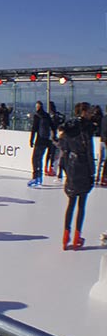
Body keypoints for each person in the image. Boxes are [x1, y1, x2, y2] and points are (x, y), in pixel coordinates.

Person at [60, 103, 95, 250]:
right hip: (83, 167)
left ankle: (65, 236)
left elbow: (63, 148)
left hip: (72, 167)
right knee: (82, 205)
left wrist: (65, 169)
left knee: (71, 203)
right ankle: (76, 236)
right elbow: (89, 152)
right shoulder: (86, 128)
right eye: (89, 111)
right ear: (84, 112)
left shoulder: (68, 127)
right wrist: (92, 172)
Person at [28, 101, 53, 188]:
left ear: (37, 107)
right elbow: (53, 127)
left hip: (39, 140)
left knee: (35, 159)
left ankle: (35, 177)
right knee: (40, 159)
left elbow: (34, 129)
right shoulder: (47, 115)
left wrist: (31, 140)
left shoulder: (37, 116)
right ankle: (40, 177)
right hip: (46, 141)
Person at [45, 101, 65, 177]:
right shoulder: (55, 116)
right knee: (53, 153)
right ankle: (50, 168)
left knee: (51, 153)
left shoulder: (51, 116)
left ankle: (49, 168)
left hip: (51, 136)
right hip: (53, 136)